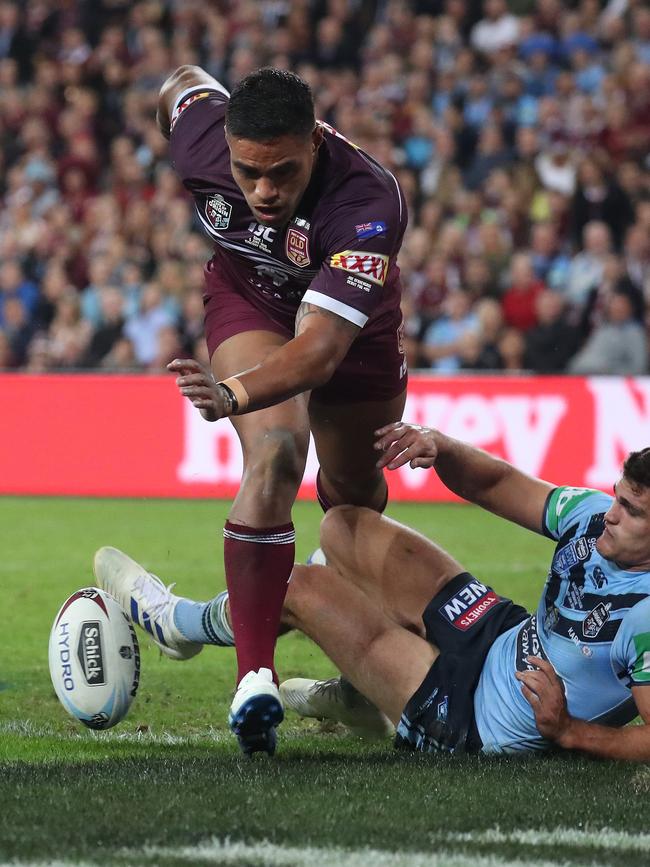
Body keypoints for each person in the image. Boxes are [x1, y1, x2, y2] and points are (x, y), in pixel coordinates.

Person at [95, 65, 408, 756]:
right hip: (252, 301)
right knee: (276, 451)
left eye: (283, 173)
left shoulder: (367, 198)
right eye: (248, 172)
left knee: (354, 498)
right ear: (225, 145)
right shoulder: (200, 130)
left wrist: (229, 394)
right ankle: (254, 681)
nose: (263, 190)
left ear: (316, 143)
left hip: (353, 334)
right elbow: (177, 82)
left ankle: (346, 677)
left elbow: (321, 350)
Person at [276, 423, 650, 758]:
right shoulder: (591, 516)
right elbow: (496, 484)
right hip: (497, 631)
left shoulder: (645, 615)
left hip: (472, 716)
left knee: (300, 587)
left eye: (631, 511)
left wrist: (570, 731)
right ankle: (360, 695)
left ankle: (217, 625)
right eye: (617, 496)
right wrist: (442, 446)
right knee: (343, 527)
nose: (611, 514)